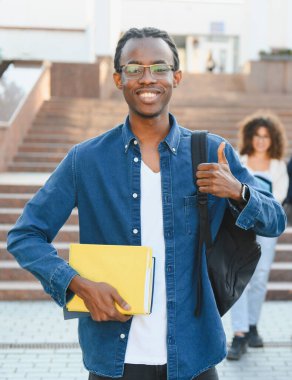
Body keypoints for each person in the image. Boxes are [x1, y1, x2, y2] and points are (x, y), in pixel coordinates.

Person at [7, 27, 286, 380]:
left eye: (159, 67)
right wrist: (77, 283)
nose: (147, 78)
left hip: (194, 357)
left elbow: (275, 219)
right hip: (114, 359)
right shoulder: (86, 160)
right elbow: (25, 235)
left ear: (176, 77)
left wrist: (237, 191)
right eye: (134, 68)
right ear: (118, 79)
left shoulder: (211, 152)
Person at [227, 112, 289, 361]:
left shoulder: (278, 166)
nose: (261, 141)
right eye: (257, 136)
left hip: (266, 228)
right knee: (240, 279)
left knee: (260, 276)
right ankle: (239, 333)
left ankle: (252, 326)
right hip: (240, 226)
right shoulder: (240, 160)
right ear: (250, 138)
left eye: (265, 137)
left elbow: (279, 197)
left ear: (272, 139)